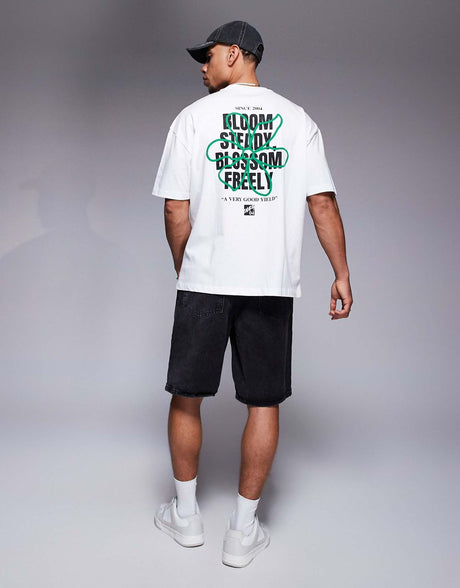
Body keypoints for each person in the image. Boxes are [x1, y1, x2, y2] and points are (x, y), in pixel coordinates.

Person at [151, 20, 353, 568]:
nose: (203, 65)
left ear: (236, 54)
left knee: (186, 396)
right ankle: (242, 532)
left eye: (210, 55)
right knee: (263, 402)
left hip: (206, 279)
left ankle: (185, 517)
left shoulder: (192, 120)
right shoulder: (297, 119)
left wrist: (186, 266)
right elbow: (322, 202)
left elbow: (175, 208)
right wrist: (341, 272)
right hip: (270, 283)